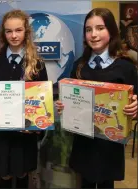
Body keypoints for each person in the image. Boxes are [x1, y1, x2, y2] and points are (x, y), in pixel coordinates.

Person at [55, 8, 138, 189]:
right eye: (88, 29)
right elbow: (68, 100)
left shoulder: (125, 67)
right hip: (83, 141)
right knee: (84, 181)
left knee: (106, 182)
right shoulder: (79, 66)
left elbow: (135, 100)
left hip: (110, 144)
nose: (93, 34)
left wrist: (135, 107)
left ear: (111, 31)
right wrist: (63, 106)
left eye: (100, 28)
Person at [0, 10, 48, 188]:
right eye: (9, 31)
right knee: (4, 175)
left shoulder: (37, 63)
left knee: (23, 173)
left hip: (24, 135)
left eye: (18, 30)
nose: (14, 35)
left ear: (26, 32)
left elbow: (43, 101)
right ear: (4, 33)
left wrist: (36, 127)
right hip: (1, 133)